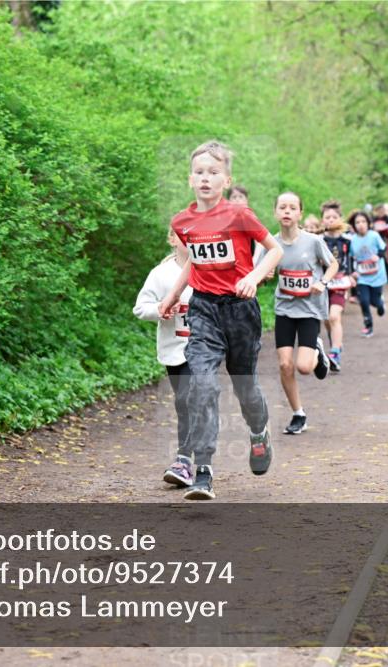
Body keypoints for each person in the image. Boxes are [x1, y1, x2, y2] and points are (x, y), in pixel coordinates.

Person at [157, 141, 282, 500]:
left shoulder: (240, 216)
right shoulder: (183, 222)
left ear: (226, 179)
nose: (205, 178)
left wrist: (253, 278)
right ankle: (203, 472)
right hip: (204, 310)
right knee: (203, 386)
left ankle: (259, 432)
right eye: (199, 173)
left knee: (245, 388)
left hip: (240, 310)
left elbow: (276, 250)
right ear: (190, 179)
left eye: (213, 172)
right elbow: (193, 263)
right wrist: (171, 297)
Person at [257, 192, 337, 435]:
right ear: (276, 212)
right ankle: (298, 413)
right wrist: (264, 276)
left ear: (300, 213)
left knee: (303, 367)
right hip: (285, 309)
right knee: (284, 365)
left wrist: (322, 283)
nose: (287, 211)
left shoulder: (313, 241)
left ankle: (317, 350)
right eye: (282, 207)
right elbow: (256, 277)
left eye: (292, 207)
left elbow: (333, 264)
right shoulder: (271, 244)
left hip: (310, 310)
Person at [133, 229, 194, 487]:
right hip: (174, 349)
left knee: (192, 398)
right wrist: (160, 309)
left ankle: (185, 460)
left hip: (204, 348)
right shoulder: (161, 274)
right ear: (171, 239)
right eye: (183, 234)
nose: (189, 239)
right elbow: (140, 307)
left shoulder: (210, 269)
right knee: (184, 403)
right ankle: (189, 460)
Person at [320, 200, 354, 370]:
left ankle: (335, 353)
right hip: (323, 283)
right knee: (326, 319)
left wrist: (354, 275)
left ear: (341, 219)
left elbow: (353, 260)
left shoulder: (348, 240)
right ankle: (335, 341)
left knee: (334, 316)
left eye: (335, 217)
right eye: (327, 217)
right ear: (322, 220)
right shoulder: (318, 240)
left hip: (340, 283)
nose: (331, 220)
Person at [348, 211, 387, 337]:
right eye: (357, 222)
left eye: (363, 221)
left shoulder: (374, 235)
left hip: (376, 274)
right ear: (354, 226)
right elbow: (350, 257)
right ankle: (368, 326)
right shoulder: (352, 240)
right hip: (362, 276)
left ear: (368, 223)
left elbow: (383, 248)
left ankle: (380, 304)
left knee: (374, 301)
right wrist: (351, 272)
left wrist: (378, 256)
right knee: (364, 300)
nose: (360, 225)